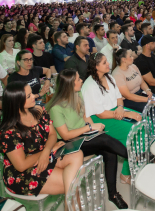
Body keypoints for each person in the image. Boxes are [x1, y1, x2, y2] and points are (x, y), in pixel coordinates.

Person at [46, 70, 129, 208]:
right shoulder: (56, 108)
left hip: (84, 134)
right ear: (69, 85)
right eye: (78, 80)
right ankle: (131, 156)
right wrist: (89, 128)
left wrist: (92, 127)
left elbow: (84, 116)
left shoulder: (77, 94)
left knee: (110, 151)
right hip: (69, 143)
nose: (81, 81)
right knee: (105, 141)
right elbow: (66, 135)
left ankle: (113, 195)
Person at [0, 82, 83, 197]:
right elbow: (21, 165)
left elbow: (52, 134)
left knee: (77, 154)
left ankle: (69, 207)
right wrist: (46, 152)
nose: (34, 96)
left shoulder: (39, 111)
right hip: (22, 173)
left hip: (46, 155)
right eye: (29, 96)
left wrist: (47, 151)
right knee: (73, 183)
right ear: (17, 102)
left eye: (32, 93)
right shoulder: (8, 132)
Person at [81, 53, 142, 184]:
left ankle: (139, 161)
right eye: (104, 62)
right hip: (101, 119)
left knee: (142, 121)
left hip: (115, 111)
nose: (108, 63)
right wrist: (125, 114)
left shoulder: (109, 77)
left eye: (106, 61)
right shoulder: (90, 85)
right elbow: (100, 114)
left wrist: (121, 107)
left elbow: (119, 97)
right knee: (132, 131)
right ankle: (125, 174)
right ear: (95, 66)